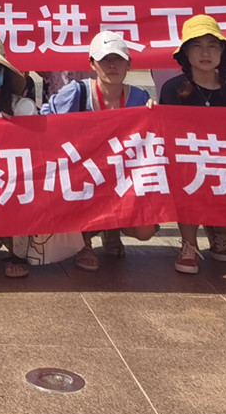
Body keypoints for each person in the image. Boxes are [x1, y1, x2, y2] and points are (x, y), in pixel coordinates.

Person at [0, 34, 85, 277]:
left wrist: (14, 133)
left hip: (15, 190)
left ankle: (15, 249)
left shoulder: (23, 108)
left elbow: (35, 159)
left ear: (3, 73)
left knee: (21, 206)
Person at [159, 15, 226, 273]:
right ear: (186, 53)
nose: (205, 53)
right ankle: (189, 243)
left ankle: (217, 227)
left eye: (212, 46)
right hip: (190, 167)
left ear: (222, 52)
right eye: (197, 46)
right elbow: (168, 138)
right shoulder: (172, 89)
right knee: (186, 173)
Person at [44, 30, 154, 265]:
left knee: (145, 230)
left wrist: (154, 113)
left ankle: (111, 229)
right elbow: (46, 117)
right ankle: (84, 241)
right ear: (92, 64)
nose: (112, 65)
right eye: (105, 59)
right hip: (83, 175)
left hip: (120, 177)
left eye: (118, 59)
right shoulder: (77, 92)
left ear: (129, 64)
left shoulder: (140, 98)